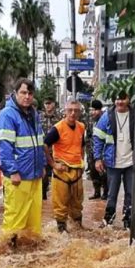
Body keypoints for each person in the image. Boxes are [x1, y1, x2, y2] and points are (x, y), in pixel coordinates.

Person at [0, 78, 45, 240]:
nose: (27, 97)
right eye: (23, 93)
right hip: (18, 176)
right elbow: (4, 148)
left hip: (35, 175)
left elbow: (39, 142)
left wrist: (42, 165)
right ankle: (10, 252)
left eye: (30, 93)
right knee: (14, 219)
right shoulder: (7, 115)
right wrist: (12, 171)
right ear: (15, 93)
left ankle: (30, 256)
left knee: (33, 220)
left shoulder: (33, 113)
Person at [93, 91, 135, 229]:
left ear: (129, 99)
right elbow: (98, 138)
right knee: (111, 193)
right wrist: (97, 158)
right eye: (117, 99)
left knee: (131, 192)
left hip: (131, 162)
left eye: (123, 99)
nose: (120, 102)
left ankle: (128, 220)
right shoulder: (107, 116)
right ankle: (108, 218)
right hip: (113, 162)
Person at [44, 98, 86, 232]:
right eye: (70, 110)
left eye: (76, 111)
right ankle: (61, 231)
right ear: (65, 111)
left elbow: (82, 145)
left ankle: (78, 229)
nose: (73, 113)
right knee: (60, 204)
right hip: (62, 171)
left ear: (79, 112)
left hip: (77, 171)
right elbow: (44, 145)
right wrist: (53, 164)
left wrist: (82, 161)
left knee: (77, 203)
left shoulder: (81, 127)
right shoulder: (57, 128)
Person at [85, 99, 107, 200]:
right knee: (93, 172)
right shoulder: (90, 120)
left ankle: (106, 192)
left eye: (95, 110)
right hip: (91, 152)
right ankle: (96, 192)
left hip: (102, 152)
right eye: (92, 110)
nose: (93, 112)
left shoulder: (105, 119)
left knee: (103, 172)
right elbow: (88, 135)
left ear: (100, 110)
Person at [39, 98, 60, 200]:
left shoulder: (60, 118)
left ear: (54, 104)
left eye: (49, 103)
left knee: (58, 174)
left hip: (56, 151)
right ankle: (43, 196)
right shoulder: (39, 117)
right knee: (44, 175)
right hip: (43, 151)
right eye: (46, 103)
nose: (47, 105)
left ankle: (58, 197)